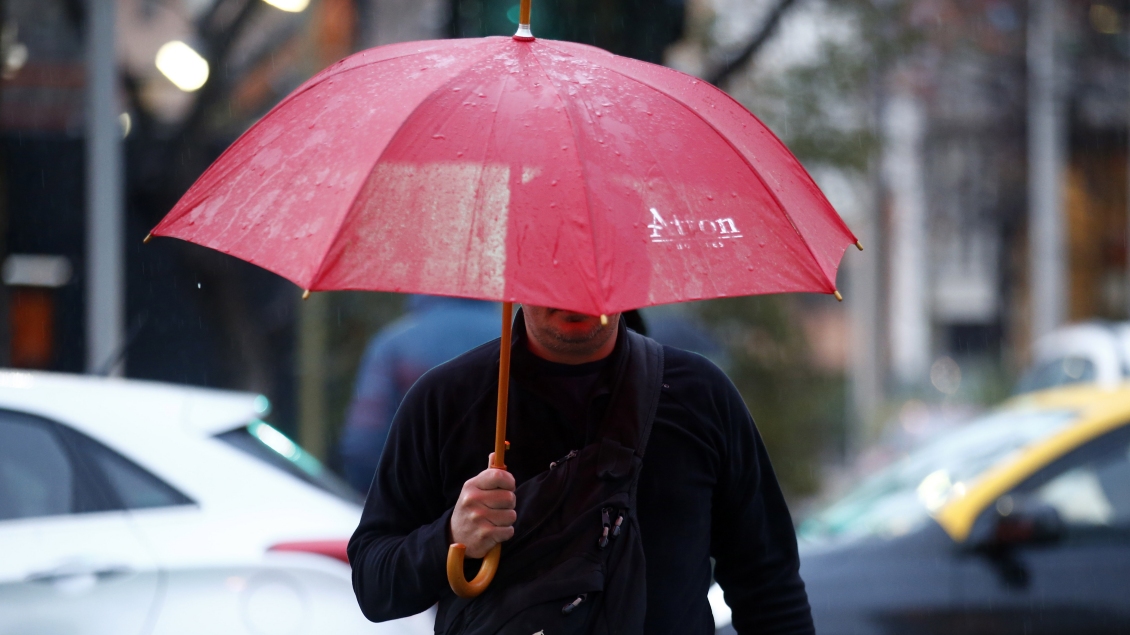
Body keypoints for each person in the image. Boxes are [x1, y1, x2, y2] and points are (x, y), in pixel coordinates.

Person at [348, 306, 814, 634]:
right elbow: (374, 585)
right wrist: (452, 536)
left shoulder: (699, 396)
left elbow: (768, 584)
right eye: (552, 265)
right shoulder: (447, 401)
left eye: (594, 265)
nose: (574, 289)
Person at [338, 295, 501, 493]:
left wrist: (383, 500)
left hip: (418, 499)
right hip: (504, 499)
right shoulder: (512, 340)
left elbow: (365, 439)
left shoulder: (396, 343)